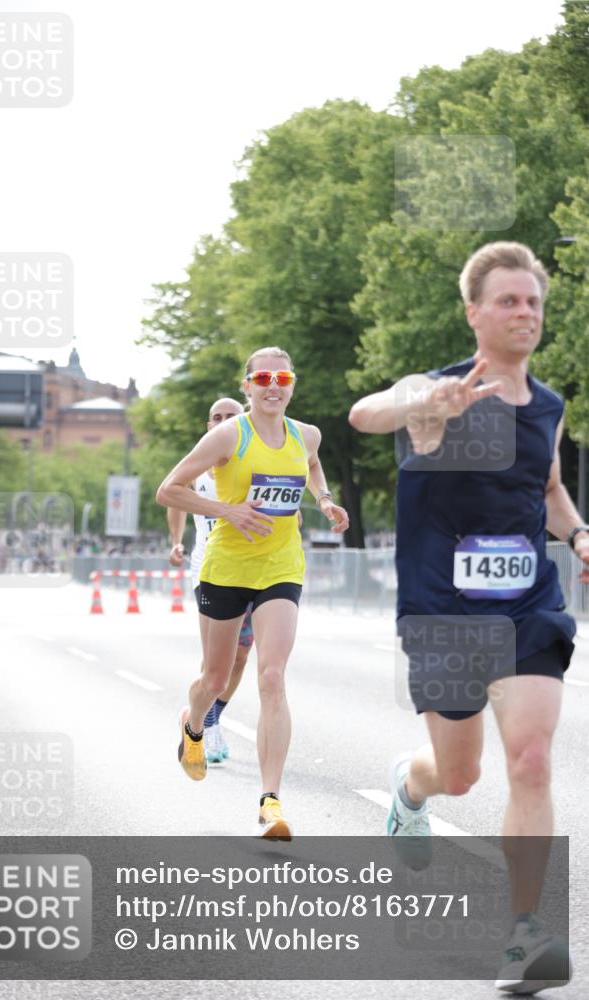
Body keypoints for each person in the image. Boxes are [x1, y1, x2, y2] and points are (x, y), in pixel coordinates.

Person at [349, 241, 589, 994]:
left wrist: (579, 534)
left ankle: (523, 934)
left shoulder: (548, 407)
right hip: (442, 608)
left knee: (529, 760)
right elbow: (365, 412)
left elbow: (546, 490)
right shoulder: (438, 389)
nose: (525, 313)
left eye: (533, 302)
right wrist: (421, 405)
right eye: (509, 301)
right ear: (473, 312)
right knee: (458, 774)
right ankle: (410, 789)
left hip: (525, 604)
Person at [157, 346, 349, 838]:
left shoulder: (306, 434)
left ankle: (271, 802)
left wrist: (324, 500)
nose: (273, 385)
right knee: (215, 679)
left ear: (291, 384)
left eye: (282, 377)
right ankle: (194, 724)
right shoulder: (229, 434)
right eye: (262, 377)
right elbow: (169, 490)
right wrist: (229, 510)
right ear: (247, 386)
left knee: (271, 676)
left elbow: (311, 464)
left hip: (281, 565)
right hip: (227, 566)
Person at [167, 397, 255, 763]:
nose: (222, 421)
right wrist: (175, 541)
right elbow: (174, 495)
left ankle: (207, 716)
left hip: (254, 568)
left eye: (230, 416)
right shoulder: (200, 462)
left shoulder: (256, 459)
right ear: (208, 425)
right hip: (209, 567)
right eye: (216, 417)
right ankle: (208, 727)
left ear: (243, 420)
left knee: (242, 655)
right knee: (216, 660)